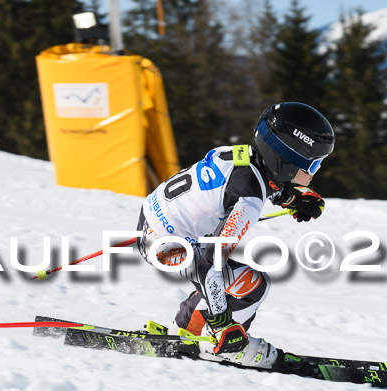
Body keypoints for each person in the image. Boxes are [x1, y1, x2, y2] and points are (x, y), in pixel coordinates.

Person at [136, 102, 334, 369]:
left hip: (152, 221)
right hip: (166, 246)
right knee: (252, 286)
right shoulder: (247, 203)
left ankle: (186, 332)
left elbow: (257, 180)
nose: (313, 173)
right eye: (312, 165)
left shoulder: (241, 156)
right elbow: (208, 265)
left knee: (230, 280)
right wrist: (222, 322)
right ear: (286, 161)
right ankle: (220, 346)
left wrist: (290, 198)